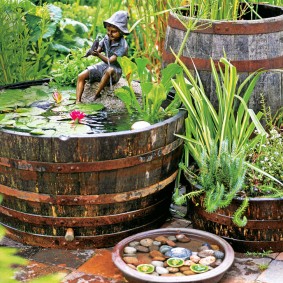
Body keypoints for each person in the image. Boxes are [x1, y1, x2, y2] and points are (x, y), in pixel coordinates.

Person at [76, 11, 130, 103]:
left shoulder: (123, 45)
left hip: (114, 70)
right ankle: (78, 101)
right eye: (108, 30)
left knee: (109, 70)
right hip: (103, 65)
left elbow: (110, 61)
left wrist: (98, 54)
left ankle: (96, 95)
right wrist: (92, 51)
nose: (109, 33)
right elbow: (99, 48)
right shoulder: (106, 38)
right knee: (81, 76)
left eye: (113, 32)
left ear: (121, 32)